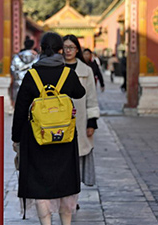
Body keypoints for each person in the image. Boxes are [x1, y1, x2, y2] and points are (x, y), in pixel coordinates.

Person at [12, 32, 85, 225]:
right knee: (65, 184)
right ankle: (66, 222)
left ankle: (46, 223)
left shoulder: (31, 75)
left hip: (37, 138)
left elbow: (20, 109)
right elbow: (80, 92)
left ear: (41, 50)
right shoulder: (67, 74)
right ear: (61, 50)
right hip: (64, 138)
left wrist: (16, 138)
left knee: (39, 185)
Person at [63, 34, 100, 193]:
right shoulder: (57, 68)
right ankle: (65, 192)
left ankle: (74, 194)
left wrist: (92, 122)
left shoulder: (86, 71)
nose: (68, 51)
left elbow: (91, 97)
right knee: (62, 159)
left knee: (78, 157)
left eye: (71, 47)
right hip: (59, 120)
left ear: (77, 49)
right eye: (65, 47)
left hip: (80, 119)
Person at [10, 37, 39, 108]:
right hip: (33, 82)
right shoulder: (37, 57)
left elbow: (12, 69)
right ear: (33, 46)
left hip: (18, 82)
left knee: (19, 105)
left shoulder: (17, 56)